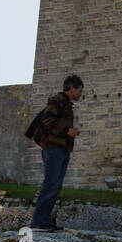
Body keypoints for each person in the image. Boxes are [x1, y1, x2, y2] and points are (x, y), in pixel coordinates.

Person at [31, 75, 83, 230]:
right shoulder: (57, 100)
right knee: (51, 185)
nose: (80, 94)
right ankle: (39, 222)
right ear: (72, 88)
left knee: (55, 186)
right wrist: (68, 131)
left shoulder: (66, 104)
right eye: (79, 90)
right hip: (54, 148)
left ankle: (44, 222)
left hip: (61, 149)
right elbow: (48, 121)